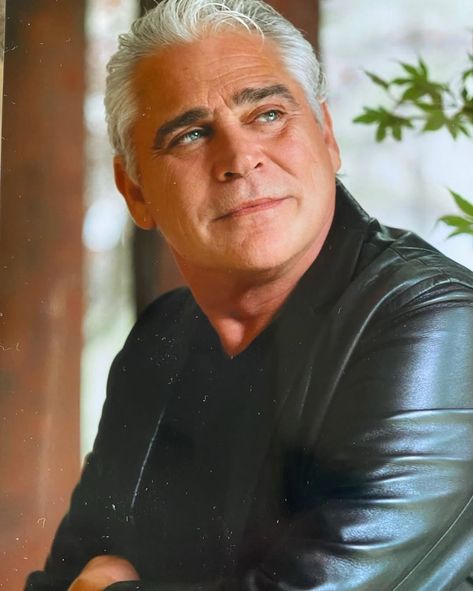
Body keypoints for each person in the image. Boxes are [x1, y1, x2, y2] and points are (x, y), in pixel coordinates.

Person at [26, 0, 473, 590]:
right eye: (190, 134)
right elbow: (62, 575)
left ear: (328, 137)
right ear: (135, 191)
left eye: (267, 114)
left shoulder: (433, 320)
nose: (240, 159)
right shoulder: (161, 337)